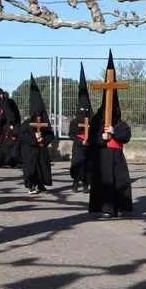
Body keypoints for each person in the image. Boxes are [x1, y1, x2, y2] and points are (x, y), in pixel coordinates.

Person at [88, 52, 133, 218]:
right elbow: (93, 136)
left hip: (118, 155)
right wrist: (102, 138)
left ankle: (121, 206)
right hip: (104, 154)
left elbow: (126, 135)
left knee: (120, 181)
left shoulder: (119, 121)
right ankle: (107, 208)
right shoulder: (98, 119)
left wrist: (114, 132)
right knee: (106, 181)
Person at [19, 75, 55, 195]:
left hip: (41, 149)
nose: (39, 116)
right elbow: (22, 135)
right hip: (29, 150)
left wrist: (43, 140)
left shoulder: (45, 123)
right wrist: (34, 138)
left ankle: (40, 184)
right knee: (31, 168)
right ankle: (31, 185)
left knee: (42, 168)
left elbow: (51, 134)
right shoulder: (26, 123)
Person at [67, 64, 93, 193]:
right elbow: (71, 134)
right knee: (77, 164)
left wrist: (89, 140)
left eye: (86, 110)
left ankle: (86, 184)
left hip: (89, 145)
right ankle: (75, 183)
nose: (84, 112)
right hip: (78, 146)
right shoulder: (74, 122)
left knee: (88, 165)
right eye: (81, 110)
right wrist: (80, 141)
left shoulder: (92, 120)